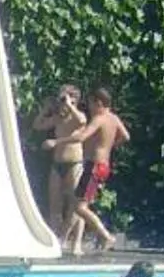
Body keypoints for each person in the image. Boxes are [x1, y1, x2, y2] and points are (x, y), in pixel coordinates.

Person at [64, 89, 128, 255]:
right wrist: (109, 146)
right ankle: (98, 236)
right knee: (82, 203)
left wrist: (56, 141)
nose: (90, 108)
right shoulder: (114, 118)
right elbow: (125, 136)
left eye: (91, 103)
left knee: (80, 207)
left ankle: (106, 235)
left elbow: (81, 137)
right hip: (104, 166)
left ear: (99, 102)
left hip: (94, 165)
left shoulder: (99, 119)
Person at [33, 85, 88, 236]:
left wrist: (70, 104)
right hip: (58, 163)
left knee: (75, 205)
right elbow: (37, 126)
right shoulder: (58, 118)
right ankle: (55, 236)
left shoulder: (78, 116)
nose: (62, 102)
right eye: (61, 99)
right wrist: (45, 110)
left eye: (64, 98)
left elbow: (82, 121)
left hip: (74, 163)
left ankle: (70, 239)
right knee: (55, 203)